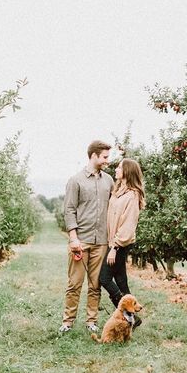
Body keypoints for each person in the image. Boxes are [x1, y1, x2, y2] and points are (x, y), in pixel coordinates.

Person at [59, 140, 114, 334]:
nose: (108, 160)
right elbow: (69, 210)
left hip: (101, 241)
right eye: (105, 157)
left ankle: (91, 321)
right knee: (74, 284)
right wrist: (73, 238)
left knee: (95, 285)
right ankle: (68, 322)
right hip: (80, 240)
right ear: (94, 156)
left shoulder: (109, 181)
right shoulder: (76, 180)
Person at [98, 158, 145, 328]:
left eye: (119, 167)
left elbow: (128, 225)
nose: (116, 169)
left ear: (127, 172)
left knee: (104, 278)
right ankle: (132, 319)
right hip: (114, 241)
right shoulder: (119, 191)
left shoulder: (132, 195)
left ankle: (129, 314)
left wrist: (115, 248)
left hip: (120, 244)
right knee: (121, 280)